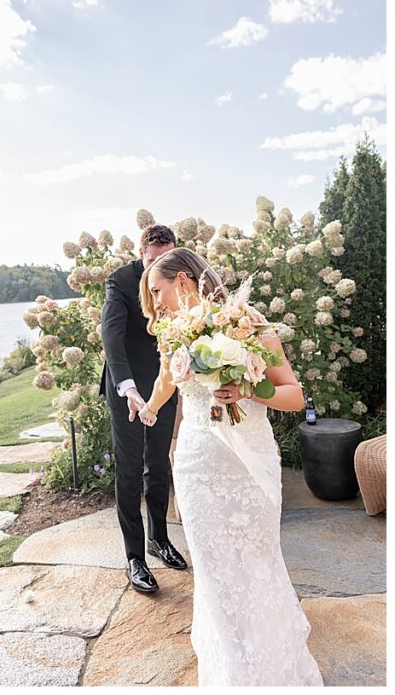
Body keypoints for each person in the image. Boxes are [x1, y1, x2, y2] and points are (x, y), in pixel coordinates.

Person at [137, 247, 322, 686]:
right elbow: (168, 378)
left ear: (184, 280)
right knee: (216, 574)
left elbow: (293, 395)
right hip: (198, 463)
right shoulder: (172, 332)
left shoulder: (247, 321)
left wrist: (248, 390)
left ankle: (272, 670)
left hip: (247, 462)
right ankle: (231, 674)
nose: (157, 303)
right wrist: (148, 407)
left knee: (258, 565)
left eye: (158, 291)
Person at [99, 224, 189, 593]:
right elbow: (111, 337)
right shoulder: (120, 281)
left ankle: (159, 539)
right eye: (153, 261)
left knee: (158, 462)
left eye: (166, 259)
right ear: (141, 254)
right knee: (130, 469)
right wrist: (129, 389)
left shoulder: (183, 279)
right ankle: (134, 556)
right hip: (128, 389)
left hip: (165, 384)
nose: (159, 268)